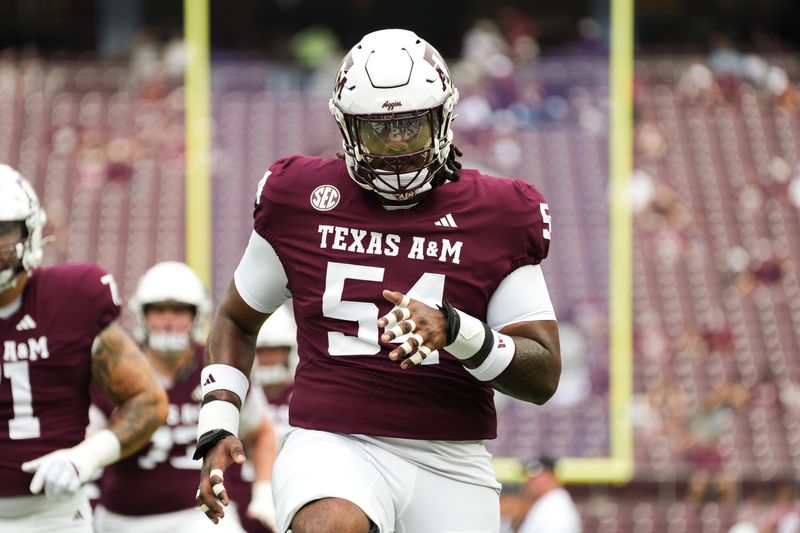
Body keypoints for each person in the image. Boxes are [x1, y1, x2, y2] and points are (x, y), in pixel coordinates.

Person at [194, 28, 561, 533]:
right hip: (333, 442)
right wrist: (217, 422)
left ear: (443, 119)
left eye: (411, 127)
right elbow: (237, 317)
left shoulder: (499, 213)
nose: (395, 148)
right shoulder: (299, 198)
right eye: (377, 130)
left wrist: (458, 332)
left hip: (449, 459)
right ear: (347, 129)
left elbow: (542, 375)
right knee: (329, 525)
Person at [0, 164, 169, 532]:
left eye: (2, 231)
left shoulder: (71, 298)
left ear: (29, 231)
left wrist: (85, 457)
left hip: (53, 517)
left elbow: (148, 400)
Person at [90, 261, 277, 533]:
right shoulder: (117, 368)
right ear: (143, 315)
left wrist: (262, 493)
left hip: (201, 515)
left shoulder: (219, 365)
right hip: (123, 517)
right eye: (158, 310)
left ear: (196, 316)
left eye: (178, 311)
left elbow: (262, 433)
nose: (168, 320)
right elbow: (87, 440)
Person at [251, 302, 297, 451]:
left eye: (275, 351)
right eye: (262, 351)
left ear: (288, 353)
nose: (268, 358)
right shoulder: (244, 395)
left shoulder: (303, 395)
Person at [514, 457, 581, 533]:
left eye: (534, 478)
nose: (529, 482)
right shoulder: (549, 502)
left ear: (549, 475)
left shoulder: (556, 506)